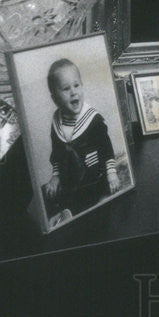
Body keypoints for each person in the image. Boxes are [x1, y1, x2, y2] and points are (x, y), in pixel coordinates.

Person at [44, 58, 121, 218]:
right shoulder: (56, 123)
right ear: (54, 99)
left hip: (93, 176)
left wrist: (112, 173)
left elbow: (106, 149)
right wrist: (55, 176)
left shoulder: (93, 119)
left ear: (82, 86)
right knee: (48, 195)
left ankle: (72, 212)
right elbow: (57, 154)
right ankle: (62, 213)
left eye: (76, 85)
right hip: (69, 179)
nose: (73, 92)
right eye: (66, 88)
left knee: (90, 196)